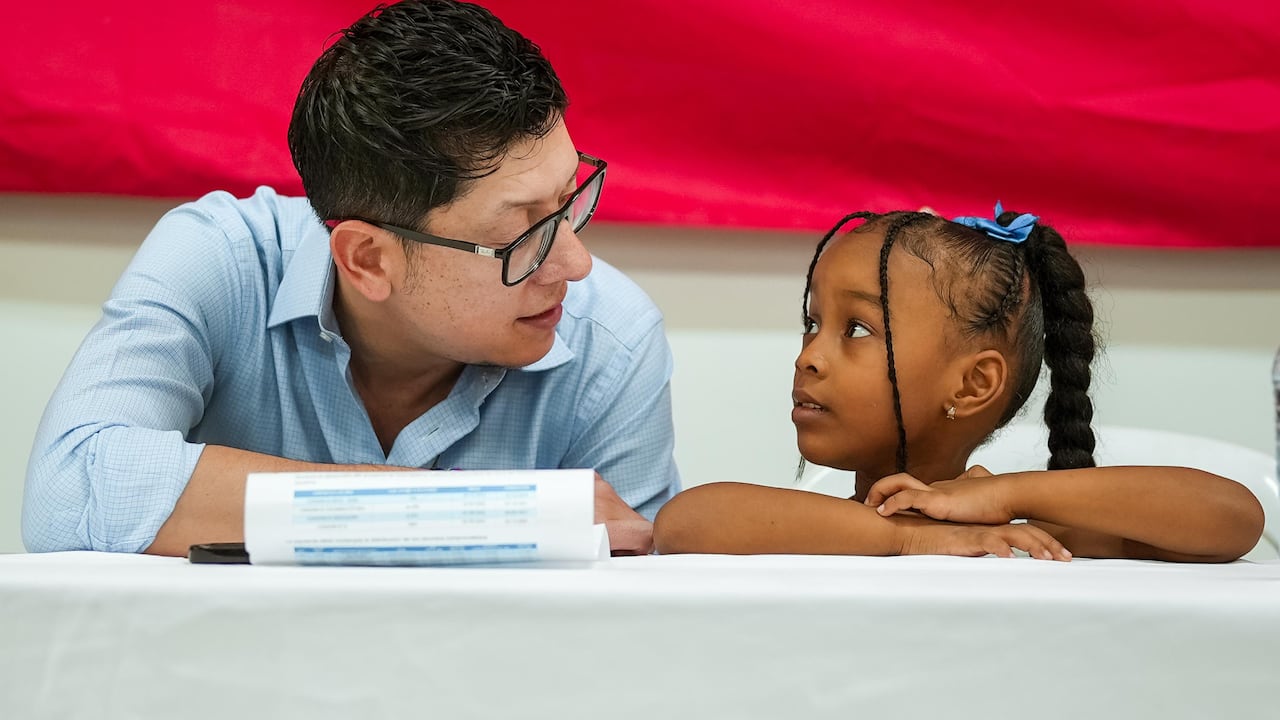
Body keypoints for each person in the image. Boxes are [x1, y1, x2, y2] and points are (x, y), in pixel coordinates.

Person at [23, 0, 679, 556]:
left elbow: (633, 628)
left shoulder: (611, 338)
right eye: (521, 232)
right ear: (366, 259)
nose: (574, 263)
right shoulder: (222, 259)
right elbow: (70, 491)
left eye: (568, 203)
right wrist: (488, 511)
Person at [653, 205, 1263, 561]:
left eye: (857, 330)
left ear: (973, 386)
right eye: (813, 323)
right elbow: (686, 521)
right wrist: (913, 541)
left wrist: (1005, 497)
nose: (810, 356)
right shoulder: (825, 528)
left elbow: (1233, 517)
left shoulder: (1025, 538)